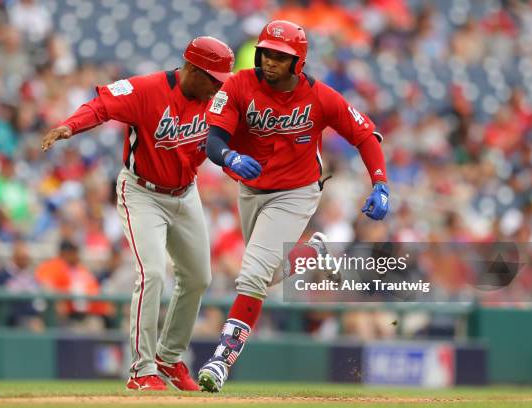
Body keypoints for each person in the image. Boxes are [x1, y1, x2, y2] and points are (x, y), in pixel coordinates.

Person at [198, 20, 389, 392]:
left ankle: (223, 357)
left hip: (297, 191)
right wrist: (228, 158)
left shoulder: (320, 96)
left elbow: (365, 134)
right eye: (266, 52)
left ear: (297, 61)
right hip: (252, 190)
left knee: (251, 275)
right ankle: (311, 253)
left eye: (280, 56)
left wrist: (380, 182)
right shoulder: (238, 84)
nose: (270, 61)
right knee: (263, 276)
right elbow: (214, 139)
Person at [41, 37, 235, 391]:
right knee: (153, 274)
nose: (218, 86)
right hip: (142, 192)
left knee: (198, 277)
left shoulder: (217, 99)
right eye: (213, 78)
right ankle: (141, 369)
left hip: (186, 193)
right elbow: (101, 104)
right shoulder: (147, 89)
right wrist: (71, 125)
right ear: (191, 68)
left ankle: (169, 358)